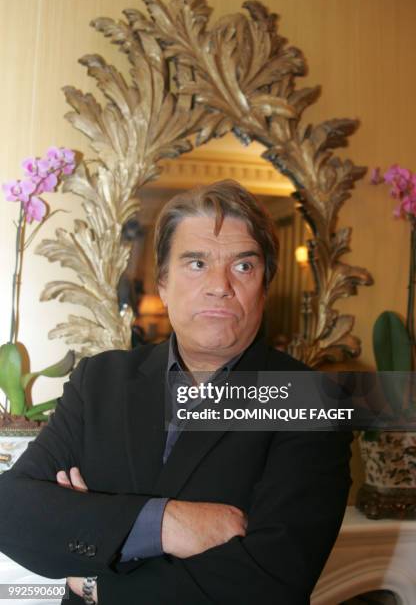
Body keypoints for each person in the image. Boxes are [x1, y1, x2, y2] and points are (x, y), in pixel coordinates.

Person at [0, 180, 352, 604]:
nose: (220, 285)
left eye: (243, 266)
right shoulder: (99, 380)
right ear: (163, 282)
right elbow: (11, 510)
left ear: (265, 286)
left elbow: (269, 581)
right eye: (197, 263)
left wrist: (97, 577)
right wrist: (165, 523)